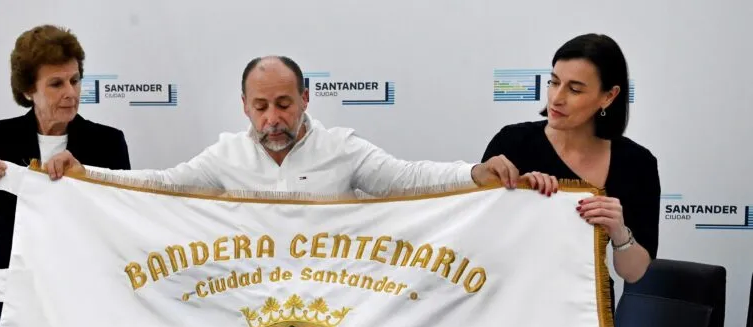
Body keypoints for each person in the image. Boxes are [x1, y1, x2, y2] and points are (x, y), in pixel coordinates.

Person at [42, 55, 557, 197]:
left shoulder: (342, 148)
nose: (274, 118)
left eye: (285, 104)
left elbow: (408, 177)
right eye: (261, 106)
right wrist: (88, 174)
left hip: (335, 308)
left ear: (306, 99)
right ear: (244, 107)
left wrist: (475, 173)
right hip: (246, 308)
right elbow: (161, 183)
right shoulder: (225, 155)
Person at [0, 24, 131, 327]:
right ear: (29, 91)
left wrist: (88, 179)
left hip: (86, 299)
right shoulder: (0, 136)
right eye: (56, 84)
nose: (71, 93)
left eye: (75, 80)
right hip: (16, 298)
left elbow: (123, 225)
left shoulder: (108, 143)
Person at [482, 33, 660, 293]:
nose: (556, 98)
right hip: (509, 298)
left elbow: (634, 273)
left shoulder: (637, 163)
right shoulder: (512, 143)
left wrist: (619, 233)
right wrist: (511, 192)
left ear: (609, 96)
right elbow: (480, 235)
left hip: (585, 309)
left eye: (575, 89)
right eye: (554, 83)